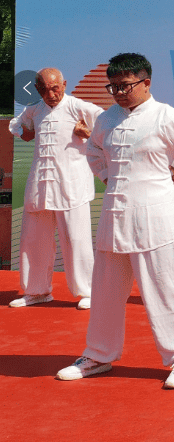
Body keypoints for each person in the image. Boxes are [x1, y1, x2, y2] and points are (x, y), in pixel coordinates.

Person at [55, 53, 174, 389]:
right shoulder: (105, 119)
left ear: (146, 82)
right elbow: (93, 152)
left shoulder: (167, 117)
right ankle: (98, 354)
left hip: (156, 218)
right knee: (104, 291)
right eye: (114, 86)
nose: (119, 92)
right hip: (114, 218)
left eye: (126, 85)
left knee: (167, 290)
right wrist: (105, 174)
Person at [8, 68, 103, 309]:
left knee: (76, 238)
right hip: (40, 183)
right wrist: (26, 132)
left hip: (72, 183)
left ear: (64, 84)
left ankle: (88, 292)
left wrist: (88, 135)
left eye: (55, 88)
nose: (51, 94)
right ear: (37, 89)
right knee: (34, 239)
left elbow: (109, 134)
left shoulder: (79, 107)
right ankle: (37, 291)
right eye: (44, 89)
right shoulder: (34, 109)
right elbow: (18, 126)